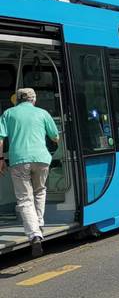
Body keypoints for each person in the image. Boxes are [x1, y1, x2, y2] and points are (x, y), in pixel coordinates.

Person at [0, 88, 59, 257]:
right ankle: (39, 223)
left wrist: (0, 160)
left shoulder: (8, 114)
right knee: (40, 191)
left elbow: (0, 138)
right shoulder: (43, 113)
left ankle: (34, 235)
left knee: (25, 198)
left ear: (16, 100)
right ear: (33, 100)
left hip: (19, 160)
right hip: (41, 159)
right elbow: (55, 137)